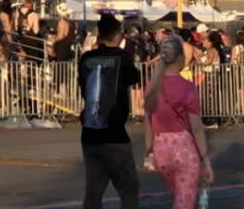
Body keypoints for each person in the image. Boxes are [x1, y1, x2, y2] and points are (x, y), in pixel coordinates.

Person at [78, 11, 141, 208]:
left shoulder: (86, 59)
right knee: (129, 187)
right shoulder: (122, 57)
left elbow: (83, 86)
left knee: (93, 190)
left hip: (90, 129)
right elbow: (134, 78)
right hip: (114, 131)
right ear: (118, 34)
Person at [144, 34, 213, 208]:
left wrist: (149, 153)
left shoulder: (151, 86)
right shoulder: (188, 87)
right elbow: (196, 128)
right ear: (181, 58)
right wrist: (205, 159)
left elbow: (148, 123)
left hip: (160, 148)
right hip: (183, 147)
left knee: (178, 194)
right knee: (184, 200)